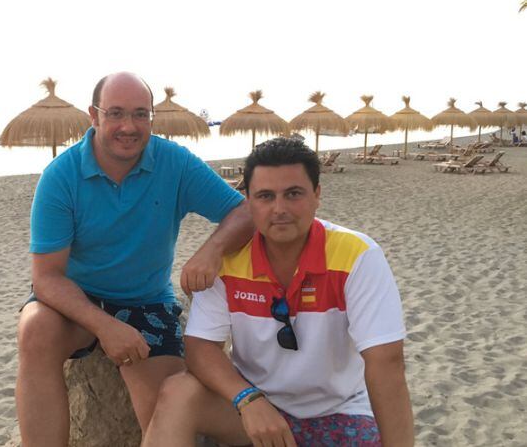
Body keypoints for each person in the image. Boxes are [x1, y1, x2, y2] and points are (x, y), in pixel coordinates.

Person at [16, 72, 254, 446]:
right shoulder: (61, 177)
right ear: (93, 116)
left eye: (141, 114)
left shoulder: (173, 162)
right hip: (77, 300)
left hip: (147, 301)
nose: (129, 126)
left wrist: (212, 250)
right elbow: (46, 278)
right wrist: (104, 326)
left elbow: (243, 212)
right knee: (35, 330)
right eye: (116, 113)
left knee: (164, 412)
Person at [143, 138, 414, 447]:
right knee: (177, 392)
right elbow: (200, 348)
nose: (279, 209)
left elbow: (386, 363)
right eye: (265, 196)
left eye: (293, 194)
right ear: (248, 202)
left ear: (317, 195)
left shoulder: (356, 256)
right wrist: (247, 398)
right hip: (253, 408)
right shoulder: (227, 260)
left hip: (339, 409)